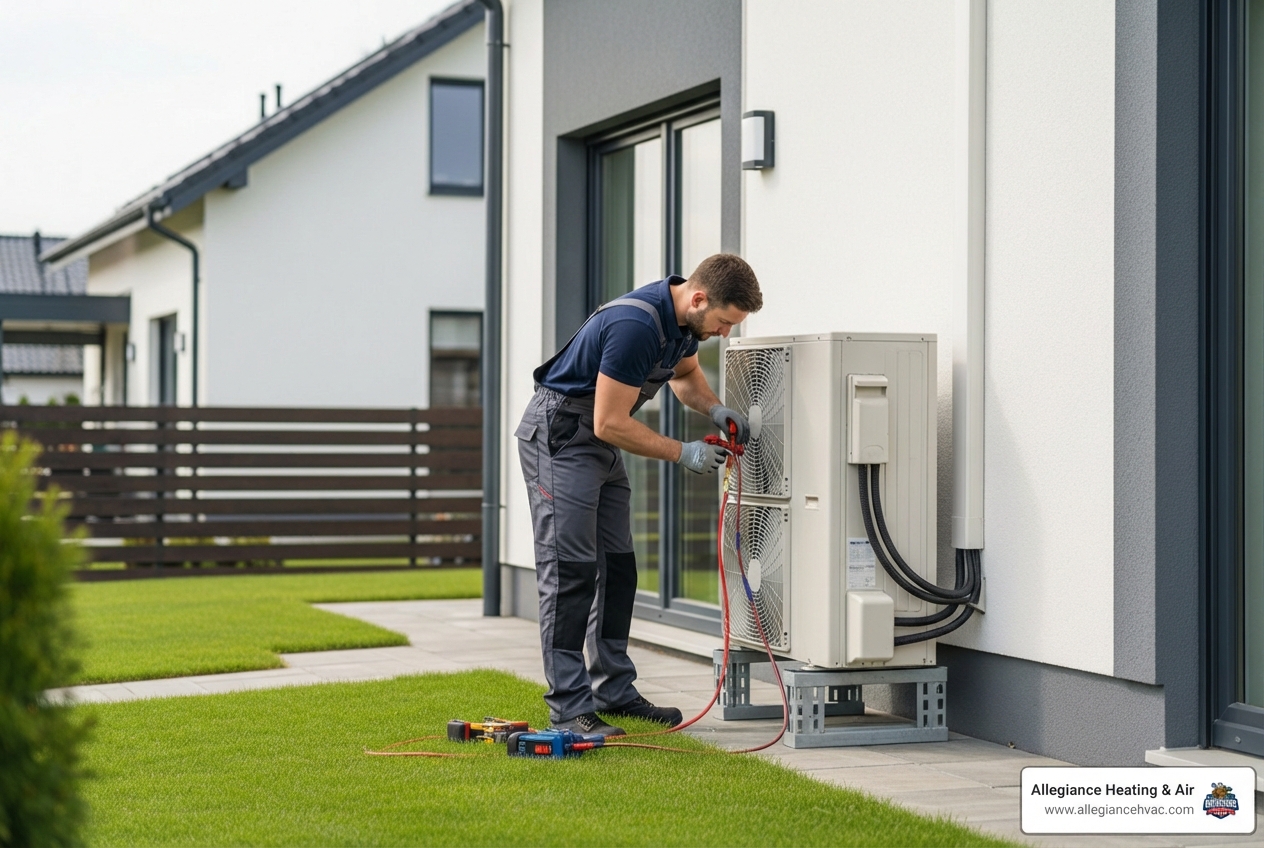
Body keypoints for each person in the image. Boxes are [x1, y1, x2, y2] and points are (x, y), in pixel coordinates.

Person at [514, 253, 764, 736]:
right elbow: (609, 422)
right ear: (698, 298)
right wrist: (682, 453)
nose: (725, 333)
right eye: (725, 321)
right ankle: (569, 706)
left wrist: (714, 411)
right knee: (571, 571)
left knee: (619, 568)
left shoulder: (683, 327)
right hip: (562, 437)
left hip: (597, 443)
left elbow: (686, 378)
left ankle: (613, 689)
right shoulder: (635, 325)